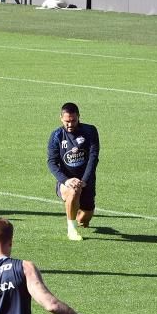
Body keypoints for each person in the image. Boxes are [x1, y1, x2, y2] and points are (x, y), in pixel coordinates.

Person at [47, 102, 100, 241]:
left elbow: (93, 158)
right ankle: (71, 229)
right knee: (73, 191)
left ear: (79, 117)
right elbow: (51, 162)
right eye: (67, 121)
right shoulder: (56, 136)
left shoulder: (90, 131)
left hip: (86, 181)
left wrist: (84, 181)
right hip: (66, 181)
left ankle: (75, 214)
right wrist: (66, 180)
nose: (70, 124)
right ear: (61, 118)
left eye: (73, 121)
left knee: (84, 220)